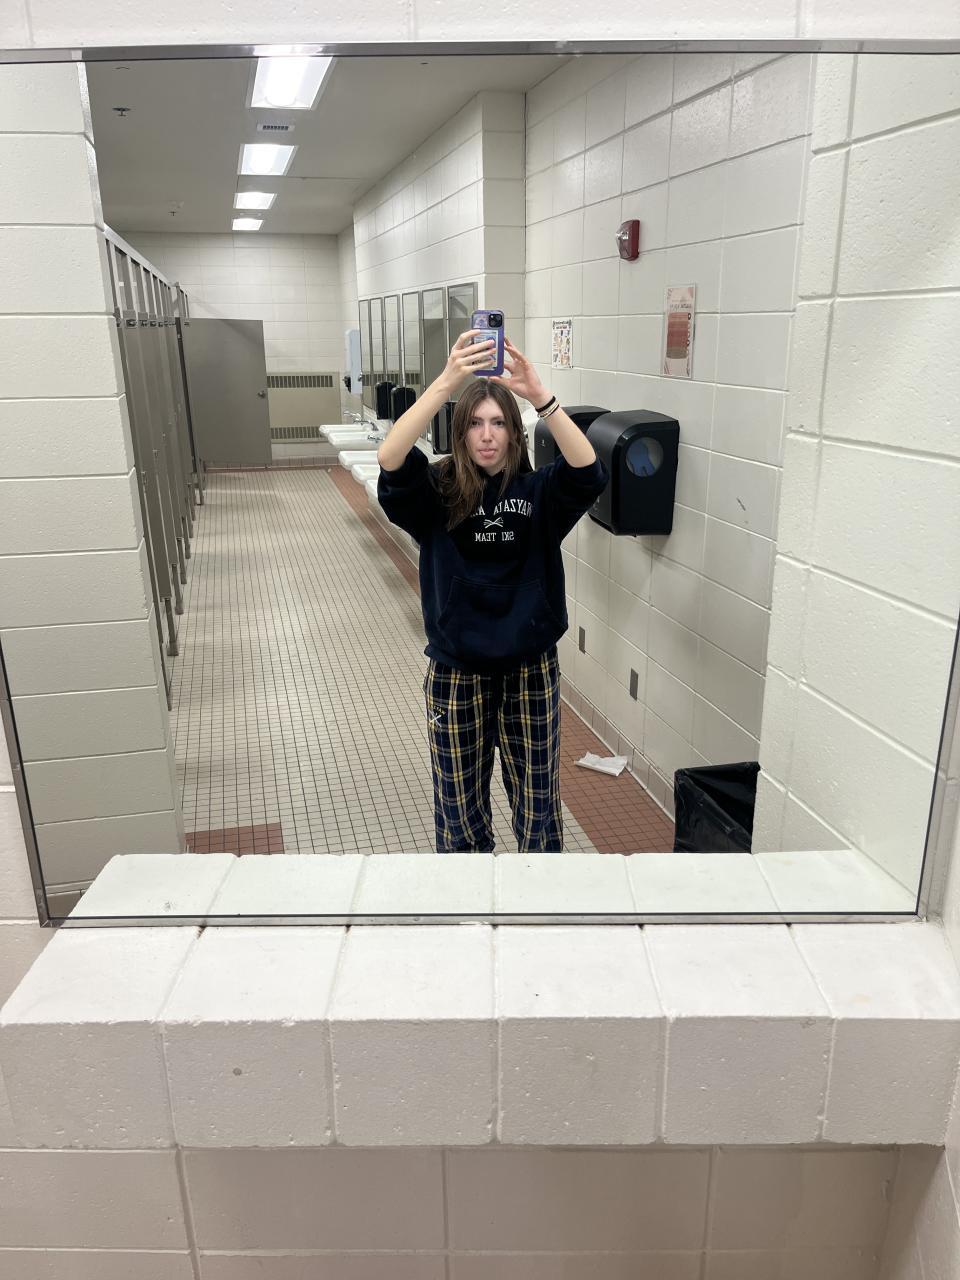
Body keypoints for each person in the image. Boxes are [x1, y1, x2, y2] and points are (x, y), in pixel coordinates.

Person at [377, 331, 607, 853]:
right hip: (457, 670)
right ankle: (470, 896)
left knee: (539, 807)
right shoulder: (437, 493)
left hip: (530, 669)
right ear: (460, 432)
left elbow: (588, 470)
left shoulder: (539, 492)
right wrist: (446, 383)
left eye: (498, 423)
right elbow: (391, 459)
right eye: (475, 423)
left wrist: (539, 396)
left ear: (514, 433)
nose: (487, 436)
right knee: (459, 810)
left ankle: (536, 893)